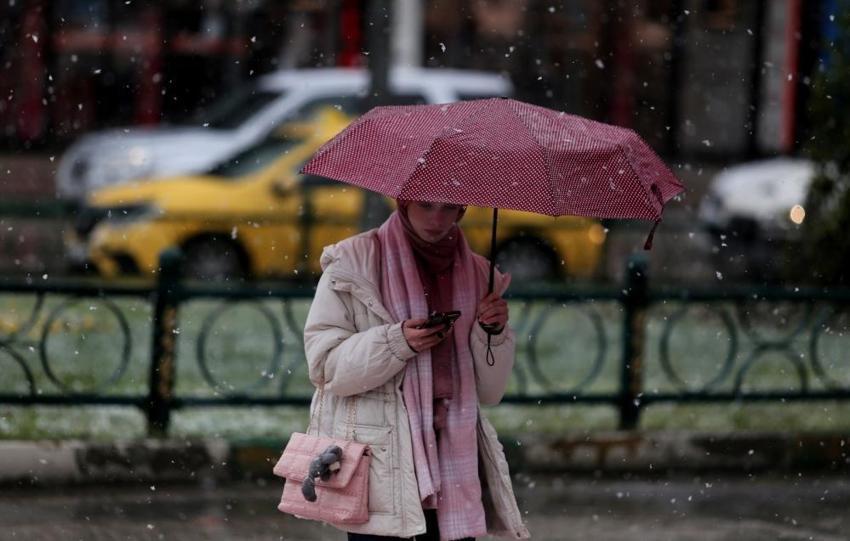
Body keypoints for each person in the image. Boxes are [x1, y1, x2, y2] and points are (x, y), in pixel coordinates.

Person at [303, 199, 530, 541]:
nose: (436, 218)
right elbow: (325, 366)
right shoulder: (353, 262)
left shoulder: (481, 277)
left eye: (448, 208)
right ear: (403, 202)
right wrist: (396, 343)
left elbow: (490, 392)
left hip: (455, 464)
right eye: (425, 205)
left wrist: (492, 333)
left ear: (462, 211)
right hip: (381, 460)